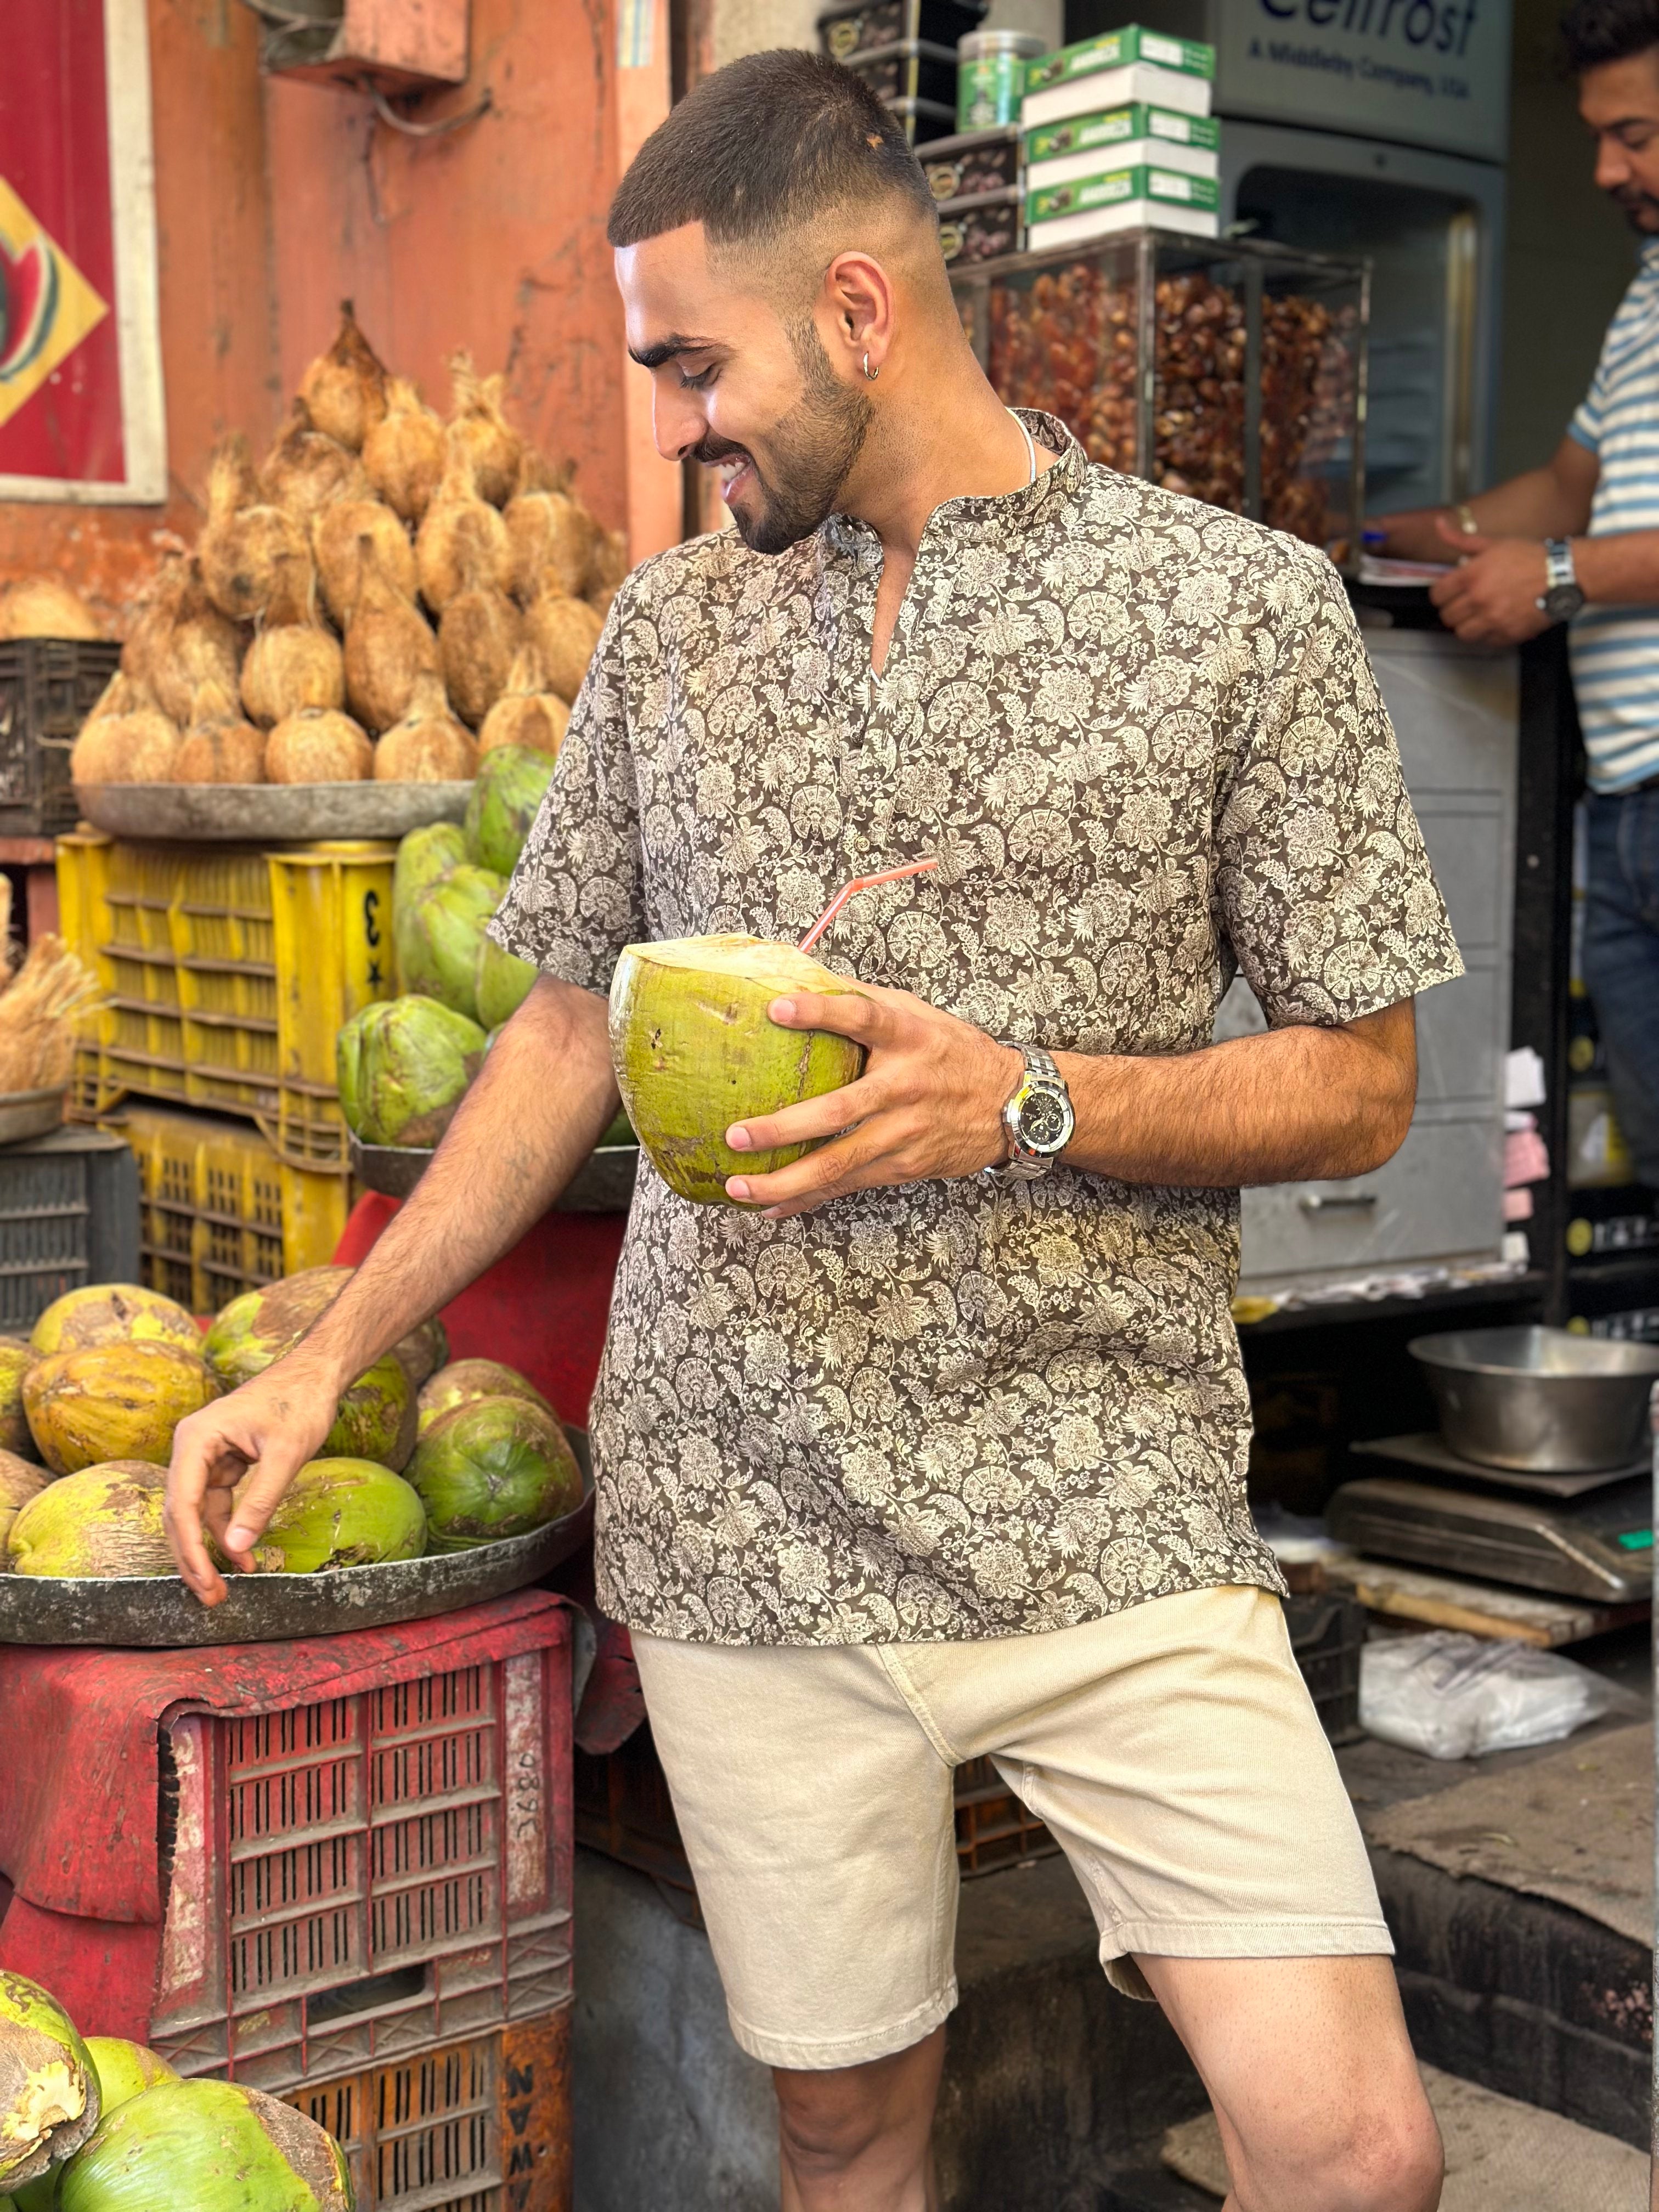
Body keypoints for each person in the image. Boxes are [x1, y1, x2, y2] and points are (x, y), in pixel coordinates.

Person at [167, 50, 1457, 2212]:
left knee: (1358, 2151)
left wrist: (1021, 1098)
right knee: (847, 2131)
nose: (674, 420)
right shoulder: (673, 635)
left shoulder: (1237, 612)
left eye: (695, 361)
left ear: (859, 312)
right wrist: (324, 1354)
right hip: (749, 1520)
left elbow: (1362, 1079)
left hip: (1107, 1508)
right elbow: (564, 1022)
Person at [1369, 0, 1659, 1187]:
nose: (1603, 167)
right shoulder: (1646, 294)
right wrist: (1381, 534)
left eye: (1634, 135)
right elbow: (1568, 486)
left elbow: (1568, 546)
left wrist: (1558, 579)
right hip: (1626, 801)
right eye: (1599, 135)